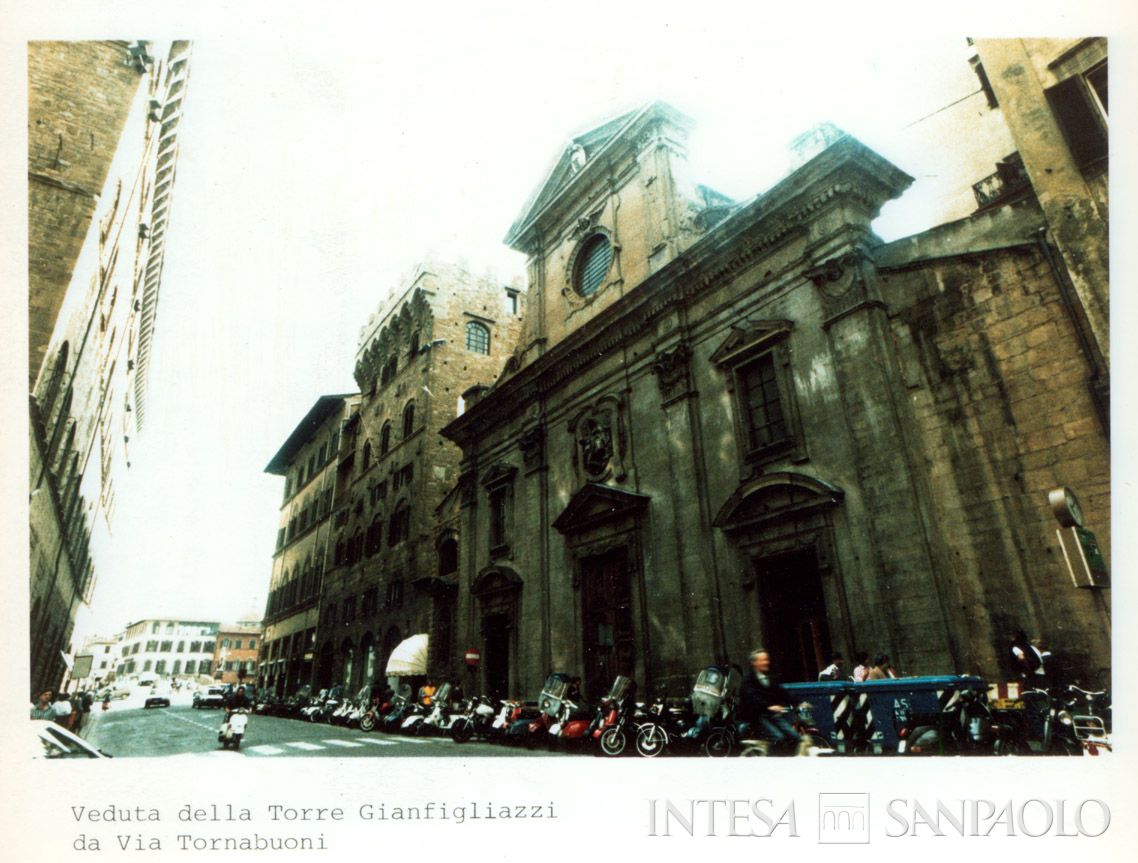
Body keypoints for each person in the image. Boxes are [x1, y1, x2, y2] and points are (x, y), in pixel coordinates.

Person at [739, 648, 801, 752]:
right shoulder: (748, 679)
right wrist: (769, 706)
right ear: (754, 663)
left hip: (772, 715)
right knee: (778, 738)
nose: (766, 662)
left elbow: (781, 692)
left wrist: (798, 702)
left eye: (767, 659)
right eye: (763, 660)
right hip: (757, 716)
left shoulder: (770, 677)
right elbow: (752, 697)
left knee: (795, 736)